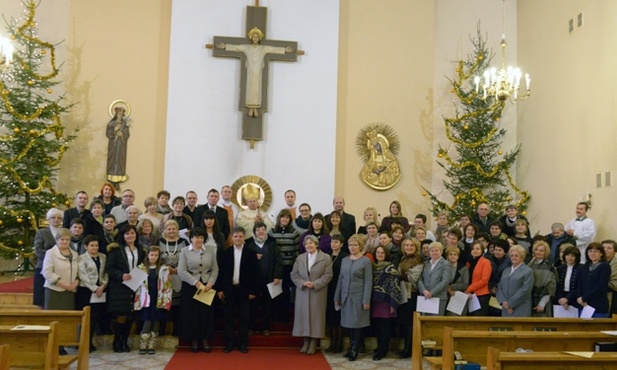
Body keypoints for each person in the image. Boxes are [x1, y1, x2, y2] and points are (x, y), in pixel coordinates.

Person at [215, 27, 295, 117]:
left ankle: (255, 108)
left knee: (258, 88)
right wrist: (225, 46)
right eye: (254, 37)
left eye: (257, 37)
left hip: (258, 71)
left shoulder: (263, 48)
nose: (255, 39)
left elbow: (273, 49)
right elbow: (237, 47)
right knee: (249, 87)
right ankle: (250, 108)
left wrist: (285, 50)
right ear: (251, 38)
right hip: (250, 71)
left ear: (259, 38)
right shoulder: (247, 47)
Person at [215, 227, 259, 353]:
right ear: (232, 238)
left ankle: (242, 343)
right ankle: (229, 343)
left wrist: (253, 291)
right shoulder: (226, 253)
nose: (238, 239)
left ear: (244, 237)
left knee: (244, 317)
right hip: (229, 289)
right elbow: (221, 272)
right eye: (236, 236)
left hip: (244, 290)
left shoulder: (251, 253)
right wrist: (219, 289)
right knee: (227, 317)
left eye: (240, 236)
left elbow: (255, 274)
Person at [105, 224, 146, 352]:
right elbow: (109, 268)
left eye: (132, 233)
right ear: (123, 236)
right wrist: (121, 275)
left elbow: (143, 265)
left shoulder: (141, 249)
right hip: (120, 286)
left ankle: (124, 341)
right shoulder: (116, 249)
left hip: (135, 285)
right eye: (127, 234)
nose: (130, 236)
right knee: (121, 316)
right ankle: (117, 342)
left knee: (130, 316)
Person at [178, 227, 219, 352]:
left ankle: (205, 339)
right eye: (196, 237)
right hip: (191, 286)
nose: (198, 240)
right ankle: (194, 339)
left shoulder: (210, 250)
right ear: (191, 238)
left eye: (201, 237)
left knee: (206, 314)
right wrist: (195, 282)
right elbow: (181, 271)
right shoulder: (185, 251)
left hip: (207, 287)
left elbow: (215, 269)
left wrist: (210, 283)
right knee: (192, 314)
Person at [291, 235, 333, 355]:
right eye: (306, 244)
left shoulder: (325, 258)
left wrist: (315, 284)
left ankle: (314, 342)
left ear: (316, 244)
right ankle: (305, 341)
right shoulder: (300, 258)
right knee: (303, 317)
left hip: (318, 291)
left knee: (316, 317)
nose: (308, 245)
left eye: (311, 243)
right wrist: (303, 283)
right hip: (303, 291)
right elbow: (294, 274)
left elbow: (328, 275)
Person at [42, 228, 79, 355]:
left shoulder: (74, 254)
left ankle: (62, 344)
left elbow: (78, 272)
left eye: (67, 239)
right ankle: (53, 345)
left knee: (65, 320)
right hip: (54, 291)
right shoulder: (50, 253)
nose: (64, 241)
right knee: (54, 319)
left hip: (69, 292)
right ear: (57, 240)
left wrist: (74, 284)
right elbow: (47, 272)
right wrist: (63, 284)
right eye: (62, 239)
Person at [335, 234, 372, 362]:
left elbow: (368, 282)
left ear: (360, 246)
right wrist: (337, 296)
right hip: (345, 297)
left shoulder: (365, 261)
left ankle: (355, 349)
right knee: (348, 324)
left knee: (357, 324)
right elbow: (340, 279)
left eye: (355, 245)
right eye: (350, 245)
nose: (352, 247)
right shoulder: (345, 260)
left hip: (359, 297)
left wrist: (366, 300)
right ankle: (351, 347)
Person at [245, 222, 283, 336]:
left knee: (267, 304)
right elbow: (243, 262)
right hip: (254, 281)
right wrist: (253, 257)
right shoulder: (248, 244)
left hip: (269, 279)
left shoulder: (272, 244)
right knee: (253, 304)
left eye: (262, 229)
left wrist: (277, 276)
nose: (260, 231)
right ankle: (251, 327)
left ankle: (265, 327)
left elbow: (278, 261)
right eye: (258, 230)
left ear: (266, 231)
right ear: (254, 232)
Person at [134, 246, 172, 355]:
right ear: (147, 255)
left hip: (158, 297)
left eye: (156, 255)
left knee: (156, 320)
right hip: (146, 298)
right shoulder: (141, 268)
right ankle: (143, 342)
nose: (154, 257)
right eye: (152, 255)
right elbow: (134, 285)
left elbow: (168, 285)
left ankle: (151, 344)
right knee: (147, 319)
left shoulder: (163, 268)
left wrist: (166, 299)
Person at [158, 219, 190, 336]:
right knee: (164, 304)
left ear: (177, 230)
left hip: (180, 276)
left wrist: (179, 268)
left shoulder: (184, 242)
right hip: (164, 277)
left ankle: (177, 331)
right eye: (169, 229)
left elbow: (188, 258)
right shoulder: (159, 242)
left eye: (174, 228)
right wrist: (166, 268)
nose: (171, 231)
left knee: (178, 305)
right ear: (165, 230)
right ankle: (161, 331)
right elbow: (155, 258)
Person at [76, 235, 108, 352]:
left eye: (96, 245)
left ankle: (90, 342)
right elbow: (82, 275)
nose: (94, 248)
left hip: (100, 290)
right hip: (86, 290)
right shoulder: (81, 258)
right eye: (92, 245)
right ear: (86, 246)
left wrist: (103, 285)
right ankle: (82, 343)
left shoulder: (103, 257)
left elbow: (105, 273)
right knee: (86, 317)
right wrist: (95, 288)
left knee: (95, 317)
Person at [269, 209, 301, 323]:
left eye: (287, 217)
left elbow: (297, 250)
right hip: (276, 267)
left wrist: (295, 265)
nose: (284, 219)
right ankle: (275, 315)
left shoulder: (294, 232)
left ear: (290, 219)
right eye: (283, 217)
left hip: (289, 266)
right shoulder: (272, 231)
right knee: (276, 292)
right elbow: (270, 249)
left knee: (286, 291)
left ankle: (285, 315)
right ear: (279, 218)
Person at [371, 245, 402, 360]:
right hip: (375, 301)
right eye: (378, 252)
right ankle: (380, 347)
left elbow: (394, 287)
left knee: (385, 328)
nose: (379, 255)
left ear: (386, 255)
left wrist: (393, 304)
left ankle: (383, 351)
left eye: (382, 253)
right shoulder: (373, 267)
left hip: (386, 302)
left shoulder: (391, 269)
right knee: (377, 327)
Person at [397, 237, 424, 358]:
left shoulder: (418, 260)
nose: (409, 247)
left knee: (409, 323)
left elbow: (413, 277)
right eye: (407, 245)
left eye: (411, 245)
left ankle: (409, 349)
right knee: (403, 321)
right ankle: (405, 347)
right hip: (402, 293)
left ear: (416, 247)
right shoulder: (403, 258)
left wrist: (399, 276)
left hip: (411, 294)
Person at [33, 208, 64, 307]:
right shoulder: (41, 233)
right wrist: (53, 257)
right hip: (43, 266)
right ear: (48, 219)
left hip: (61, 267)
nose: (56, 220)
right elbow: (38, 250)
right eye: (53, 217)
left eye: (58, 218)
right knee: (41, 298)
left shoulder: (65, 232)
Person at [324, 234, 348, 353]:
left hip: (339, 289)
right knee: (330, 317)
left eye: (337, 242)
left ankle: (339, 344)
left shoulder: (345, 257)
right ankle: (332, 343)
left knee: (338, 317)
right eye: (332, 242)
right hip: (327, 289)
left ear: (342, 244)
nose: (334, 244)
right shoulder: (326, 256)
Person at [496, 245, 534, 317]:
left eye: (516, 256)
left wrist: (509, 304)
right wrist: (503, 302)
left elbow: (525, 290)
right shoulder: (506, 271)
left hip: (520, 308)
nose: (513, 257)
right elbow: (499, 288)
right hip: (505, 308)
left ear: (522, 258)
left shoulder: (528, 271)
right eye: (512, 255)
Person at [418, 242, 454, 316]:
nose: (434, 252)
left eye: (436, 250)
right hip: (425, 297)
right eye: (432, 251)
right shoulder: (426, 263)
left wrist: (431, 293)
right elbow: (420, 279)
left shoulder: (446, 264)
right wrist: (424, 290)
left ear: (441, 251)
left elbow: (445, 281)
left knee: (435, 323)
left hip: (439, 298)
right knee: (424, 322)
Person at [577, 242, 611, 317]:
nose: (593, 253)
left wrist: (585, 298)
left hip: (598, 304)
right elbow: (581, 283)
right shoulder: (586, 265)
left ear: (601, 254)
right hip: (583, 304)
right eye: (590, 251)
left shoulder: (605, 266)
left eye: (596, 251)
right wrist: (580, 298)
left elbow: (602, 286)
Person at [528, 241, 558, 317]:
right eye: (536, 250)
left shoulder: (549, 267)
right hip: (529, 299)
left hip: (543, 301)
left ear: (546, 252)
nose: (538, 252)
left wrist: (542, 303)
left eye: (541, 250)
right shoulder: (529, 264)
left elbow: (551, 287)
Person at [465, 241, 492, 316]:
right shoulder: (468, 263)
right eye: (473, 249)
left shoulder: (486, 262)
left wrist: (468, 289)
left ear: (482, 251)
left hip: (481, 295)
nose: (475, 250)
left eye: (477, 249)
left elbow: (484, 281)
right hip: (469, 294)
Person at [106, 106, 130, 187]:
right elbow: (108, 134)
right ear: (116, 114)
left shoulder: (125, 125)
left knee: (120, 160)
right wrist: (114, 131)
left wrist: (122, 134)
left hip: (121, 146)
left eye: (122, 114)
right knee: (112, 159)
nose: (121, 115)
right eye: (119, 114)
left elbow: (127, 135)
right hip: (113, 146)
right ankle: (111, 177)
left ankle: (119, 178)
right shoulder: (111, 124)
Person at [555, 245, 582, 311]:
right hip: (560, 299)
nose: (569, 258)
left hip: (575, 299)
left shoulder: (582, 269)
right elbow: (557, 285)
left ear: (577, 257)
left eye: (572, 256)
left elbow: (580, 287)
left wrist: (567, 299)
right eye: (567, 255)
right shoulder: (559, 268)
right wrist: (560, 298)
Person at [445, 246, 469, 316]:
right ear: (447, 256)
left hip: (458, 297)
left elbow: (465, 284)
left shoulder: (463, 268)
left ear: (458, 256)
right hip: (446, 296)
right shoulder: (443, 267)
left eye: (455, 254)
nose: (453, 256)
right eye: (450, 254)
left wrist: (451, 287)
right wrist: (448, 290)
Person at [603, 240, 617, 314]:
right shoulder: (596, 262)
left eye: (609, 248)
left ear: (614, 251)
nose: (605, 250)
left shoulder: (615, 264)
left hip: (612, 296)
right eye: (603, 247)